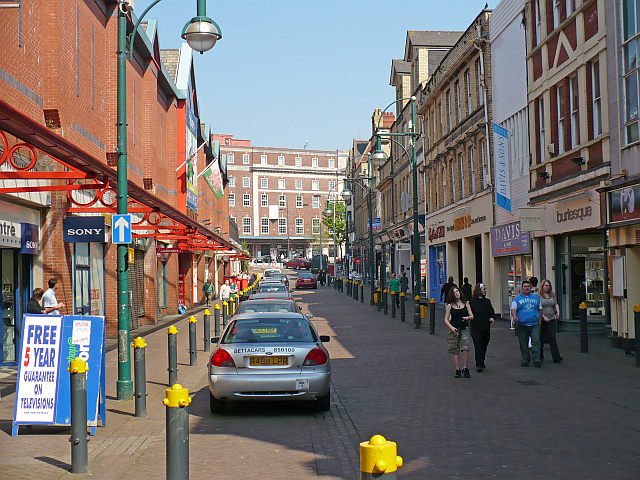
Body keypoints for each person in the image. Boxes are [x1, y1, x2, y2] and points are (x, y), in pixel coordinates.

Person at [510, 279, 543, 367]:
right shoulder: (517, 299)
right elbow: (513, 309)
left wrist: (540, 319)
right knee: (523, 343)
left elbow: (540, 309)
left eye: (528, 286)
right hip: (522, 325)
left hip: (534, 324)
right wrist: (514, 316)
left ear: (530, 287)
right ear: (522, 288)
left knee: (536, 341)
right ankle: (525, 359)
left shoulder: (536, 298)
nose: (527, 288)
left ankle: (536, 359)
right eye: (525, 286)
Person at [443, 287, 474, 378]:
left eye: (457, 291)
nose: (456, 293)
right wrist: (451, 328)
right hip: (454, 329)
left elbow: (472, 316)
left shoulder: (466, 304)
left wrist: (467, 318)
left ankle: (465, 368)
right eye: (454, 292)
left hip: (464, 328)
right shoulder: (450, 306)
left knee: (466, 348)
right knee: (455, 349)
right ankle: (457, 369)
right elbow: (446, 319)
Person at [469, 283, 495, 372]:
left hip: (486, 327)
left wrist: (491, 317)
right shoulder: (472, 302)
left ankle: (482, 360)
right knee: (478, 345)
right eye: (484, 289)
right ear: (479, 290)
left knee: (484, 344)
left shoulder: (487, 301)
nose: (485, 291)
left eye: (485, 289)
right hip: (476, 327)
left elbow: (491, 311)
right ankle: (479, 363)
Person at [539, 279, 563, 363]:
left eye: (548, 285)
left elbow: (556, 304)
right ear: (542, 286)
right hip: (542, 319)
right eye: (546, 285)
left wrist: (558, 312)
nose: (547, 287)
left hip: (552, 318)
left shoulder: (552, 294)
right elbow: (538, 308)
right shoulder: (539, 296)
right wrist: (543, 317)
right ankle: (540, 356)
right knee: (541, 338)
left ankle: (556, 357)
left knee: (552, 337)